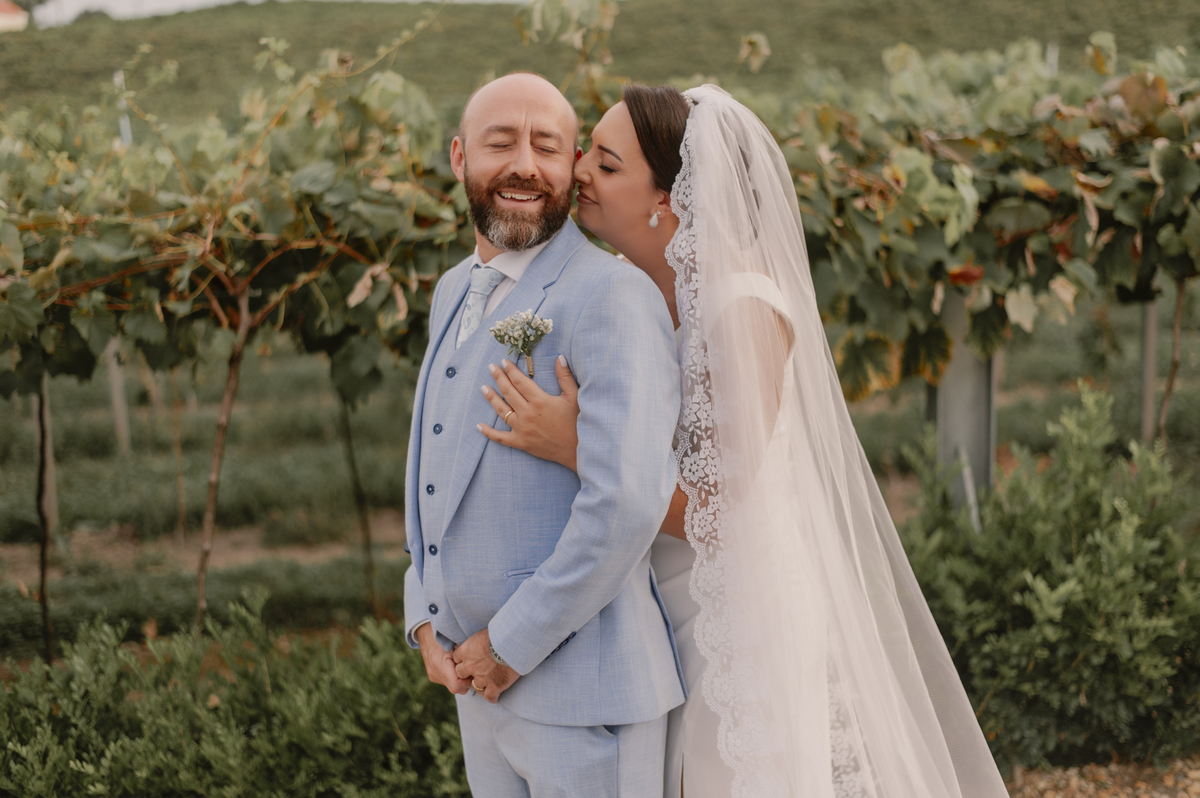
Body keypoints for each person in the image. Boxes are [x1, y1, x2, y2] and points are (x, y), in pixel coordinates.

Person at [476, 84, 1011, 798]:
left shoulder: (744, 309)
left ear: (667, 199)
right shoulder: (627, 290)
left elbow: (722, 512)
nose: (577, 173)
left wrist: (578, 448)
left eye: (605, 163)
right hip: (649, 608)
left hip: (736, 615)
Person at [402, 72, 686, 798]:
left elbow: (625, 504)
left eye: (548, 147)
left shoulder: (612, 294)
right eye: (502, 143)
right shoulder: (451, 290)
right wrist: (423, 616)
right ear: (460, 156)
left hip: (588, 699)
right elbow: (429, 468)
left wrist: (508, 646)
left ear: (571, 166)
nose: (525, 164)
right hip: (477, 689)